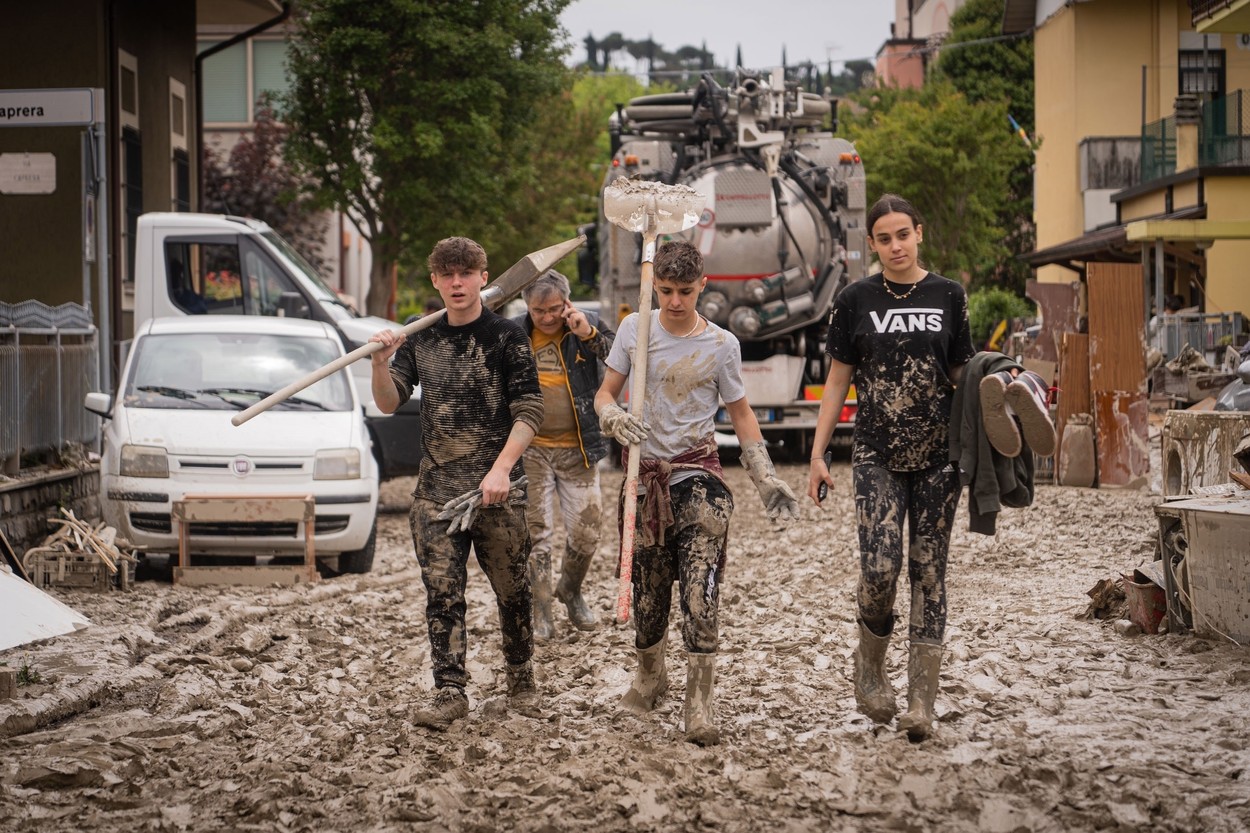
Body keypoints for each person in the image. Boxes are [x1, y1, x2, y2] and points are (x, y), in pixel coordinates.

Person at [594, 240, 800, 746]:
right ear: (655, 286)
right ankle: (649, 675)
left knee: (699, 590)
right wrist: (612, 415)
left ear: (702, 286)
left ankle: (699, 702)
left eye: (685, 291)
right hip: (645, 478)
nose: (675, 302)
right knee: (649, 592)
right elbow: (605, 392)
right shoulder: (634, 329)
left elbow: (741, 413)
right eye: (665, 291)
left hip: (698, 473)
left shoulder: (721, 345)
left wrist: (765, 475)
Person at [807, 193, 975, 741]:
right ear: (872, 243)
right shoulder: (855, 299)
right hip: (876, 453)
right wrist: (817, 453)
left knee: (930, 574)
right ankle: (870, 664)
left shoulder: (949, 294)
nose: (896, 246)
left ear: (919, 233)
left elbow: (962, 376)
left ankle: (921, 703)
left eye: (903, 234)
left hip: (938, 459)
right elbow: (836, 382)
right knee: (879, 570)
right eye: (884, 238)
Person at [369, 236, 544, 730]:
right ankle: (449, 691)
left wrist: (501, 469)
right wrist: (381, 362)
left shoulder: (507, 336)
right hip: (436, 493)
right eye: (447, 274)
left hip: (499, 490)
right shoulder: (419, 337)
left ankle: (520, 678)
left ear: (483, 278)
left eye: (465, 273)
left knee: (513, 591)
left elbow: (531, 410)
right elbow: (388, 401)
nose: (456, 282)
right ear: (435, 282)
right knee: (442, 595)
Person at [512, 271, 615, 640]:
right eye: (539, 310)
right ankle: (541, 609)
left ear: (567, 303)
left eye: (555, 309)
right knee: (536, 533)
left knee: (588, 530)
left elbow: (621, 356)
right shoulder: (514, 333)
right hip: (531, 450)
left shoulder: (586, 326)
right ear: (527, 306)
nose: (548, 317)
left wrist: (586, 333)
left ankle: (570, 590)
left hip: (579, 448)